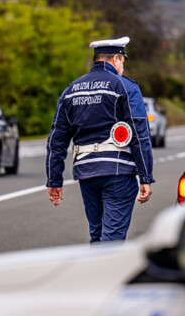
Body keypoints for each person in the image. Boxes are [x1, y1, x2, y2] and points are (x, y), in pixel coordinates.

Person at [46, 36, 155, 242]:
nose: (122, 66)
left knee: (97, 235)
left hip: (87, 173)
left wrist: (54, 180)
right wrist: (146, 177)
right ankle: (105, 274)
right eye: (122, 61)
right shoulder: (125, 87)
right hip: (118, 173)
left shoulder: (71, 90)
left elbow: (56, 140)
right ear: (115, 59)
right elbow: (140, 134)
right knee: (112, 238)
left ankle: (96, 272)